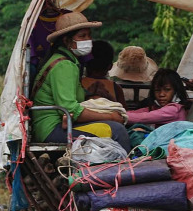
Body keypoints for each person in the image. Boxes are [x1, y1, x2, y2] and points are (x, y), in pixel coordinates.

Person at [31, 12, 130, 151]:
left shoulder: (67, 61)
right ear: (66, 41)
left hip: (60, 124)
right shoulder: (64, 65)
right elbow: (70, 109)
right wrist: (111, 116)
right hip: (52, 129)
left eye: (89, 35)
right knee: (117, 131)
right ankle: (118, 172)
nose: (88, 40)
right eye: (82, 36)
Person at [126, 68, 190, 127]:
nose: (161, 94)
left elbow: (143, 117)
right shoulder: (156, 108)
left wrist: (121, 117)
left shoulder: (174, 110)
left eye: (167, 90)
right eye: (157, 90)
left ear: (176, 91)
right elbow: (136, 113)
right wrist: (119, 113)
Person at [82, 40, 125, 105]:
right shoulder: (116, 88)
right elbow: (124, 112)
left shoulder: (78, 84)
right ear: (110, 66)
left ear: (85, 64)